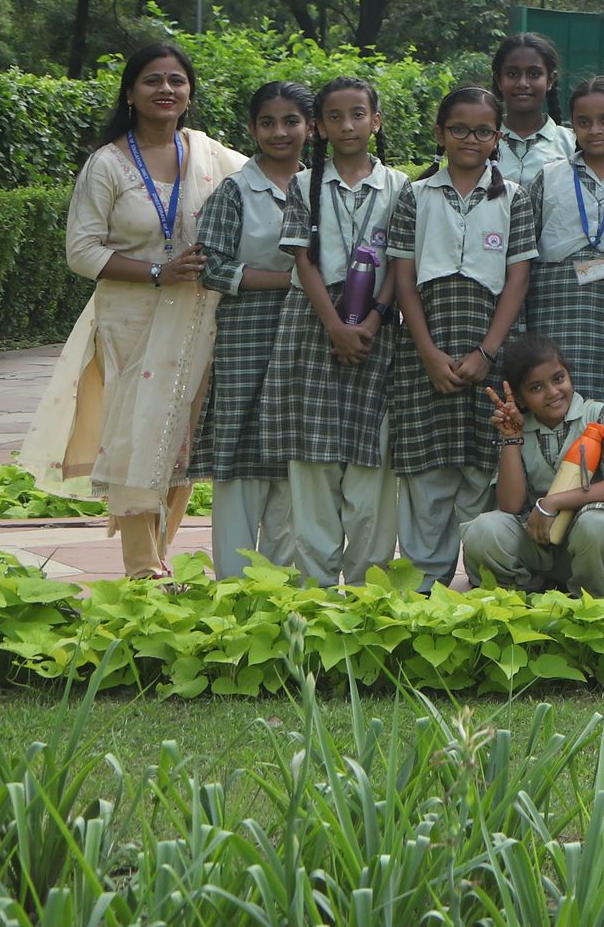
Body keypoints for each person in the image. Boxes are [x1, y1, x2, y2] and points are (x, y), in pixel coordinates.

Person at [30, 40, 249, 578]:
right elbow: (82, 252)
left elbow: (270, 185)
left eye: (176, 80)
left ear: (189, 92)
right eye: (153, 80)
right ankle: (142, 569)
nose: (165, 89)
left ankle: (160, 553)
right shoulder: (106, 164)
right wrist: (156, 271)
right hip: (129, 321)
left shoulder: (212, 156)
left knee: (181, 437)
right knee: (136, 437)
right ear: (130, 93)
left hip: (197, 318)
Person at [384, 86, 531, 588]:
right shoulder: (416, 195)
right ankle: (424, 586)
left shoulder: (514, 198)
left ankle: (483, 583)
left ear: (498, 137)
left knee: (480, 466)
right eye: (459, 129)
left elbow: (517, 279)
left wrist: (488, 351)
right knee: (427, 471)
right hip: (426, 347)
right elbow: (404, 279)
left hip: (491, 345)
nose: (471, 139)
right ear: (440, 133)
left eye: (483, 131)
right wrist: (427, 353)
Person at [272, 74, 405, 585]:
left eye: (358, 114)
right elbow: (302, 260)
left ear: (377, 121)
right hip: (312, 327)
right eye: (334, 117)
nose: (347, 125)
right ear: (319, 128)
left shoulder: (400, 187)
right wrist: (334, 325)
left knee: (373, 459)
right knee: (312, 461)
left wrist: (371, 320)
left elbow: (401, 262)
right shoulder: (304, 184)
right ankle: (316, 587)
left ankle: (370, 584)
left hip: (377, 330)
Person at [190, 79, 312, 577]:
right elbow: (211, 267)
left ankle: (283, 587)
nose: (279, 132)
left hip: (305, 338)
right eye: (267, 122)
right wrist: (292, 280)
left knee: (293, 461)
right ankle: (235, 585)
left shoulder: (319, 187)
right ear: (252, 129)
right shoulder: (235, 190)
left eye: (291, 121)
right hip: (246, 338)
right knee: (240, 463)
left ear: (311, 127)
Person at [461, 335, 604, 596]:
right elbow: (511, 505)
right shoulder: (519, 426)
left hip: (591, 546)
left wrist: (552, 503)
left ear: (569, 374)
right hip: (540, 542)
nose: (553, 392)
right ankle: (525, 596)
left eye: (558, 379)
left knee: (595, 524)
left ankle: (595, 601)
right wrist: (511, 439)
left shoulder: (598, 414)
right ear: (520, 398)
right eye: (536, 388)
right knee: (483, 529)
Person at [512, 78, 604, 410]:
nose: (595, 130)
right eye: (584, 122)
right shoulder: (550, 176)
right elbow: (523, 253)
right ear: (572, 127)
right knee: (550, 395)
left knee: (602, 406)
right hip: (551, 309)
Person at [490, 33, 575, 184]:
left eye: (534, 74)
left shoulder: (572, 144)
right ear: (498, 80)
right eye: (512, 74)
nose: (522, 83)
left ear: (550, 80)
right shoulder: (481, 139)